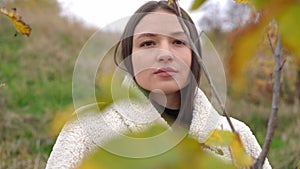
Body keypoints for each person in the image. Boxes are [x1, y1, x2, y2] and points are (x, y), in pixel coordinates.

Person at [45, 1, 272, 169]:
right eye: (148, 43)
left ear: (194, 55)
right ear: (129, 56)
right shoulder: (86, 128)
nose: (165, 54)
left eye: (178, 42)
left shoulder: (234, 136)